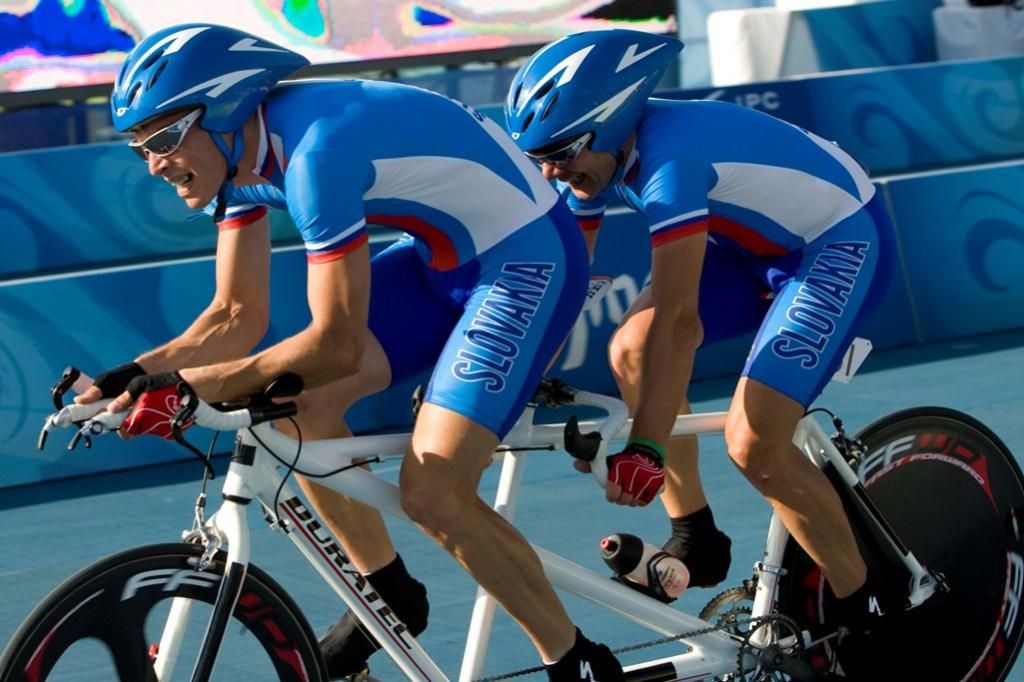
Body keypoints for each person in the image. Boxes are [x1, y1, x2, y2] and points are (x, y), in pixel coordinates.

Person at [81, 23, 624, 681]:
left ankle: (576, 660)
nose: (154, 164)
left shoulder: (315, 156)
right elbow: (234, 315)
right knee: (290, 408)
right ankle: (386, 590)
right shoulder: (238, 159)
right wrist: (139, 374)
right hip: (439, 262)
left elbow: (336, 344)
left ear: (224, 111)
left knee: (434, 490)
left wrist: (198, 387)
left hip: (527, 261)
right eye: (139, 146)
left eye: (163, 137)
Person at [505, 29, 899, 675]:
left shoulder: (669, 166)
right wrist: (515, 378)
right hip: (757, 247)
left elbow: (681, 325)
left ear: (610, 124)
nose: (551, 170)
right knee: (629, 347)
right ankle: (697, 534)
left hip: (836, 245)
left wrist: (647, 449)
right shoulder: (595, 163)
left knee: (755, 445)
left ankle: (866, 611)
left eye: (560, 152)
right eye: (537, 157)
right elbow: (565, 286)